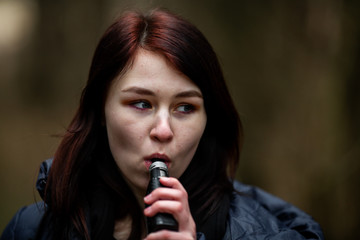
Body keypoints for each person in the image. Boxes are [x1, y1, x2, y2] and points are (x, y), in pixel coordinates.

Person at [1, 8, 324, 240]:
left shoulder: (267, 234)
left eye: (185, 107)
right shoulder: (32, 229)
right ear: (100, 110)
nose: (164, 130)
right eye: (141, 103)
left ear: (209, 119)